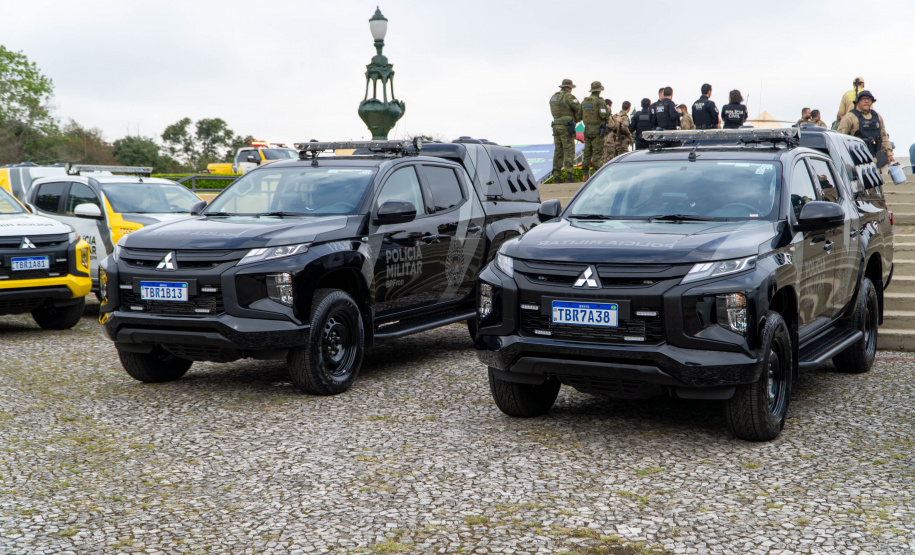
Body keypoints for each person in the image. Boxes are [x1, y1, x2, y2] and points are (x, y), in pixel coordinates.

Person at [837, 90, 895, 170]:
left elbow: (884, 137)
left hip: (872, 160)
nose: (866, 101)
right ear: (857, 102)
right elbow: (839, 138)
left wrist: (889, 154)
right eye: (863, 99)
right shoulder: (850, 117)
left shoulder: (877, 117)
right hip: (855, 161)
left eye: (869, 99)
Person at [549, 78, 582, 182]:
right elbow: (579, 109)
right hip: (566, 127)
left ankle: (557, 177)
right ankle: (569, 176)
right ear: (569, 88)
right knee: (569, 151)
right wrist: (576, 119)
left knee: (558, 152)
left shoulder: (553, 97)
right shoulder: (569, 97)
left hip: (556, 126)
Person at [580, 81, 610, 179]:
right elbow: (603, 115)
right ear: (599, 91)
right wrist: (608, 110)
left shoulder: (584, 102)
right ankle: (596, 177)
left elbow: (579, 116)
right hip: (597, 130)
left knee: (587, 153)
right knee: (597, 153)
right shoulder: (600, 101)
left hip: (587, 129)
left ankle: (585, 176)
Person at [601, 100, 632, 164]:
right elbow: (624, 128)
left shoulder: (615, 115)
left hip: (614, 141)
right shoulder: (624, 117)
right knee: (623, 160)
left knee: (615, 160)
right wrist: (629, 135)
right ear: (629, 108)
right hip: (622, 142)